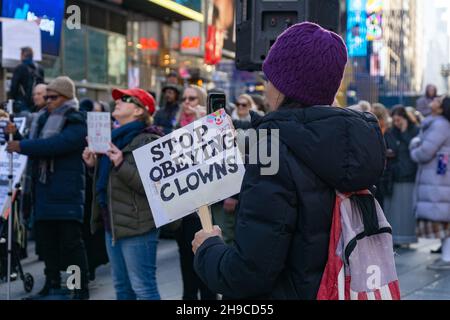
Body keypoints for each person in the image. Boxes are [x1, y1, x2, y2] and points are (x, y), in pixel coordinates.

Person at [192, 22, 385, 299]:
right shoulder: (352, 143)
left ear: (284, 85)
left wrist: (208, 248)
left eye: (269, 79)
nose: (266, 87)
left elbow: (248, 274)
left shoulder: (271, 150)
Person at [6, 76, 89, 299]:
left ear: (66, 97)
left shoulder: (76, 120)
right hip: (43, 192)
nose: (47, 100)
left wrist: (21, 145)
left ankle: (78, 289)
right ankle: (51, 284)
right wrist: (15, 135)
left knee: (71, 246)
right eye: (46, 96)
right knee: (47, 244)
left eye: (53, 97)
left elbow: (55, 145)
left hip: (66, 194)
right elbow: (38, 145)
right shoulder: (42, 118)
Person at [84, 88, 163, 300]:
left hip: (138, 225)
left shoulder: (149, 139)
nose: (117, 102)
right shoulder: (113, 138)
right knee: (122, 289)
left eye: (125, 99)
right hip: (113, 224)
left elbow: (154, 187)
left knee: (144, 289)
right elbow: (109, 182)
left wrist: (120, 163)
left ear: (139, 111)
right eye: (117, 99)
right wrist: (92, 166)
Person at [173, 85, 216, 300]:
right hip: (184, 209)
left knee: (205, 268)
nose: (187, 102)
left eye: (193, 98)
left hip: (205, 209)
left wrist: (203, 124)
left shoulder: (207, 127)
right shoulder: (175, 127)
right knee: (187, 269)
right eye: (185, 98)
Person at [411, 96, 450, 270]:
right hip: (439, 178)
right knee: (444, 218)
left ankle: (447, 258)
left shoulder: (440, 125)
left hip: (438, 179)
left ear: (441, 108)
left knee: (444, 218)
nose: (433, 101)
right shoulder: (438, 123)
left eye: (437, 101)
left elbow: (424, 152)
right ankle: (446, 256)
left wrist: (414, 146)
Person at [383, 106, 420, 247]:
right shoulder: (392, 132)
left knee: (406, 211)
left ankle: (406, 239)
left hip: (409, 175)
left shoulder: (414, 131)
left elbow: (412, 148)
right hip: (395, 175)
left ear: (404, 117)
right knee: (394, 210)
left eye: (399, 120)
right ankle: (395, 238)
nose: (397, 123)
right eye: (395, 120)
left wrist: (404, 132)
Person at [9, 47, 45, 113]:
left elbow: (14, 87)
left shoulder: (20, 68)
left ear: (23, 55)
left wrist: (13, 99)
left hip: (23, 102)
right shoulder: (40, 68)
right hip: (36, 103)